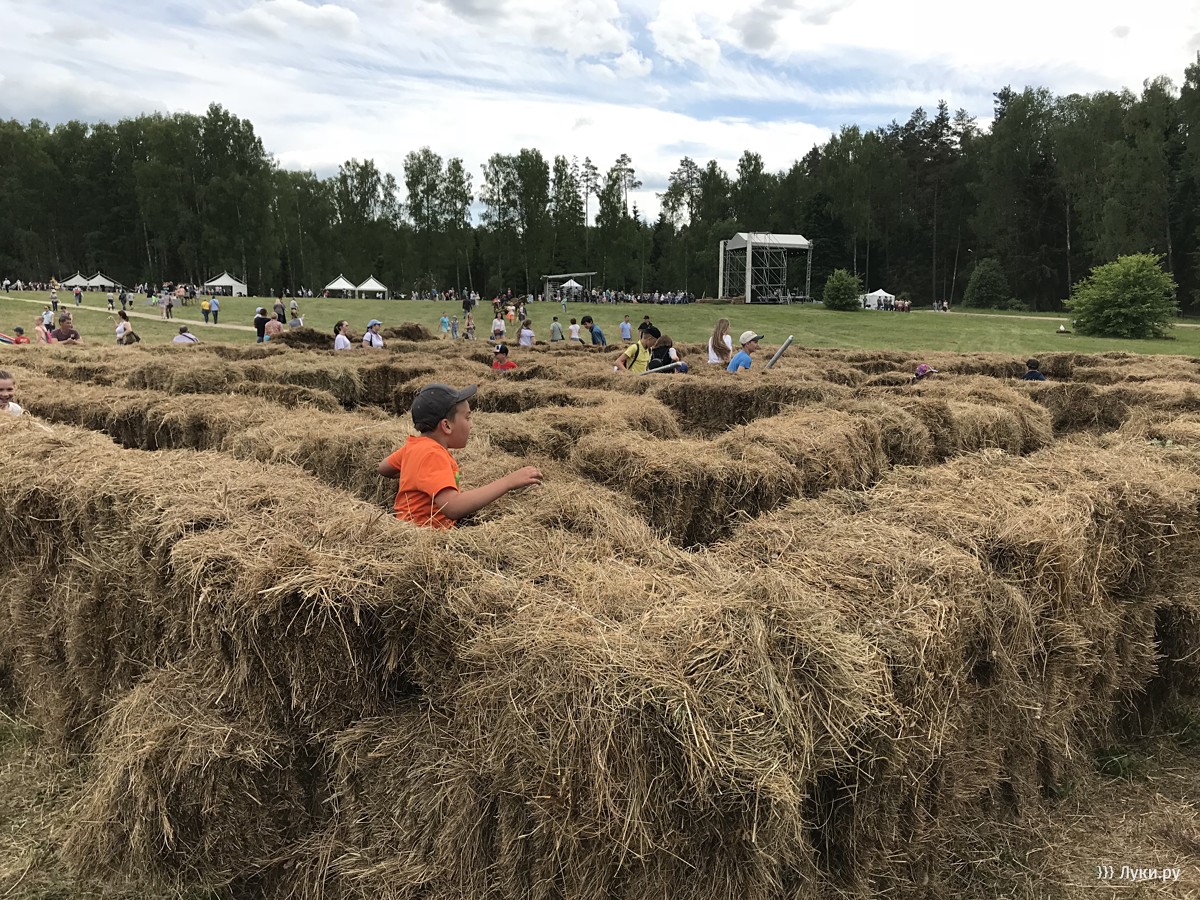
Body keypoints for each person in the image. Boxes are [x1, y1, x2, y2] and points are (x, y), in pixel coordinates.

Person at [377, 383, 543, 528]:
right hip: (427, 536)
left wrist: (415, 475)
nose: (471, 425)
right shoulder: (433, 455)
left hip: (410, 529)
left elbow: (383, 468)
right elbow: (453, 507)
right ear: (447, 426)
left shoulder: (414, 447)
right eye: (467, 417)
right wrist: (508, 482)